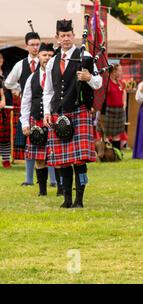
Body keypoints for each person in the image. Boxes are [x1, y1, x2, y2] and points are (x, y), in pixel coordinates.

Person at [43, 19, 102, 208]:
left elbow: (99, 82)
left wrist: (89, 77)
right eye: (62, 36)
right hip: (59, 113)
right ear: (57, 38)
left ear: (73, 36)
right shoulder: (52, 62)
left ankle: (79, 199)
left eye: (69, 35)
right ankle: (67, 199)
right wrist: (46, 112)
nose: (66, 39)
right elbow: (48, 91)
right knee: (63, 161)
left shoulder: (84, 55)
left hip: (79, 111)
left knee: (79, 160)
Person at [20, 43, 59, 196]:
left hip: (55, 121)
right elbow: (26, 101)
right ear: (38, 57)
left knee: (58, 157)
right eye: (44, 55)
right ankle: (42, 191)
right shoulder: (32, 77)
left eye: (50, 55)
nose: (47, 58)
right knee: (39, 158)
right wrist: (24, 123)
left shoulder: (58, 74)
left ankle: (61, 189)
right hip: (36, 120)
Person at [4, 30, 41, 185]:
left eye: (37, 44)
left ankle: (51, 179)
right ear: (26, 46)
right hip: (28, 108)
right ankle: (29, 179)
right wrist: (19, 88)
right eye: (32, 45)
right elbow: (8, 83)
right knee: (29, 144)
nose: (35, 48)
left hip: (44, 107)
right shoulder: (20, 65)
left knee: (48, 143)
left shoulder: (46, 61)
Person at [102, 64, 126, 152]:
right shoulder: (107, 83)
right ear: (113, 72)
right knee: (106, 134)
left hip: (119, 111)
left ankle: (117, 153)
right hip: (109, 110)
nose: (121, 73)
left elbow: (123, 94)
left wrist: (124, 105)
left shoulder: (120, 83)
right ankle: (106, 153)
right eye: (119, 71)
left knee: (117, 134)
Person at [0, 52, 12, 168]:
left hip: (7, 107)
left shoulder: (7, 73)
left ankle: (6, 160)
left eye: (0, 59)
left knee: (5, 136)